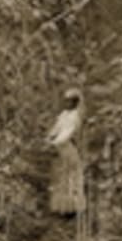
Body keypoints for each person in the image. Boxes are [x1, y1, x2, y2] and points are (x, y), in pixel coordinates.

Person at [45, 88, 86, 217]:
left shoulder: (75, 117)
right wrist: (49, 138)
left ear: (75, 103)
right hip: (59, 149)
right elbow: (56, 129)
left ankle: (72, 207)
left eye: (69, 101)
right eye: (66, 101)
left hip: (67, 148)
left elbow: (67, 134)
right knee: (61, 175)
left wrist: (55, 142)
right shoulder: (63, 115)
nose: (67, 103)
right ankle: (61, 207)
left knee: (71, 175)